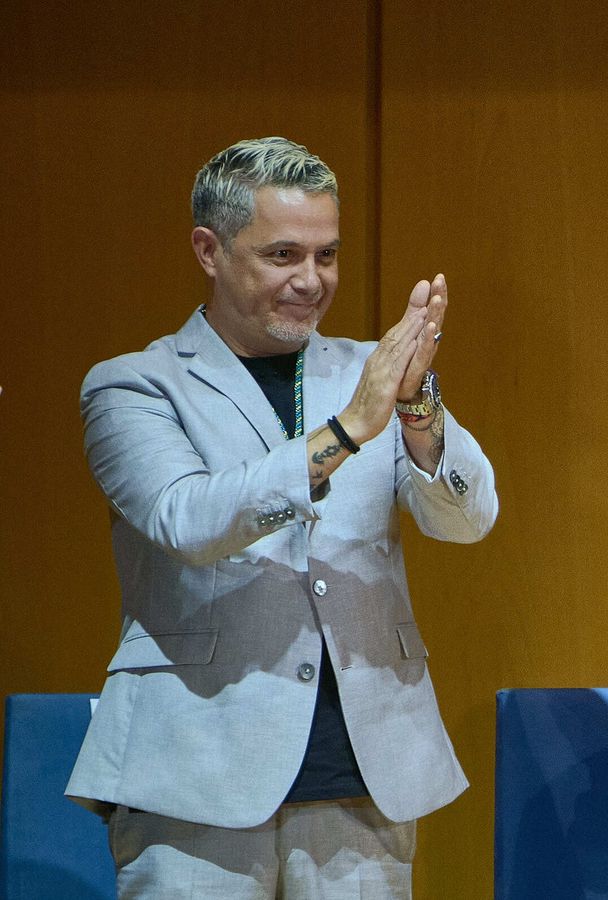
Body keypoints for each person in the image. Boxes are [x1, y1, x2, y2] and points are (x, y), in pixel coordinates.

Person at [65, 136, 498, 898]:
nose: (311, 280)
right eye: (282, 256)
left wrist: (417, 407)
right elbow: (187, 521)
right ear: (209, 250)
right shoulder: (135, 386)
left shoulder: (373, 375)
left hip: (362, 777)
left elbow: (468, 519)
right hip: (196, 777)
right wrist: (349, 431)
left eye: (327, 256)